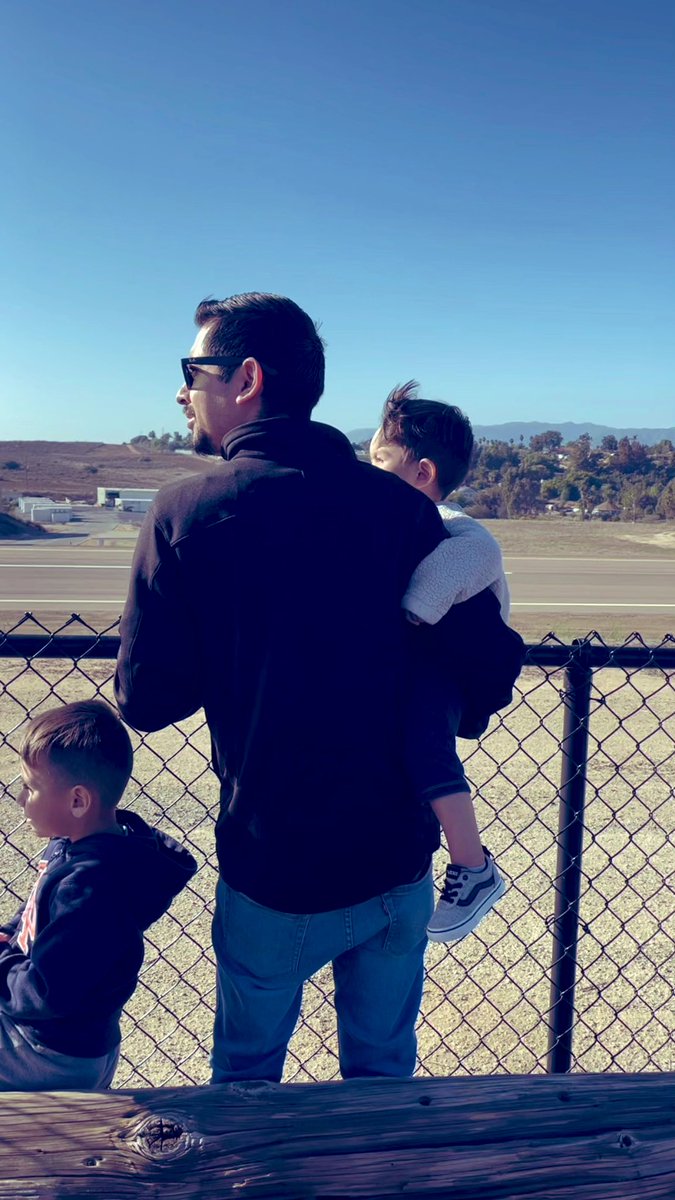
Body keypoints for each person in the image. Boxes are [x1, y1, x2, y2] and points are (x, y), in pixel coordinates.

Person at [114, 292, 450, 1084]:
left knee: (245, 1081)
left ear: (247, 380)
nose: (181, 391)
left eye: (191, 371)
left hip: (276, 864)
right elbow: (475, 681)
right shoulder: (405, 511)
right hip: (399, 861)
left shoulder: (184, 513)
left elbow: (146, 700)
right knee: (381, 1079)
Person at [370, 382, 524, 942]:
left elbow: (474, 557)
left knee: (424, 746)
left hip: (454, 668)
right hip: (436, 663)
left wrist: (411, 610)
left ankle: (474, 864)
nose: (371, 471)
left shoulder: (457, 525)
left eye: (380, 460)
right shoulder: (404, 524)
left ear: (423, 473)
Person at [0, 700, 197, 1091]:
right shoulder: (77, 845)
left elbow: (47, 991)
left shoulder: (92, 887)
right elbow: (33, 914)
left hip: (50, 1053)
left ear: (78, 801)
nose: (20, 799)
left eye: (30, 787)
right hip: (60, 1038)